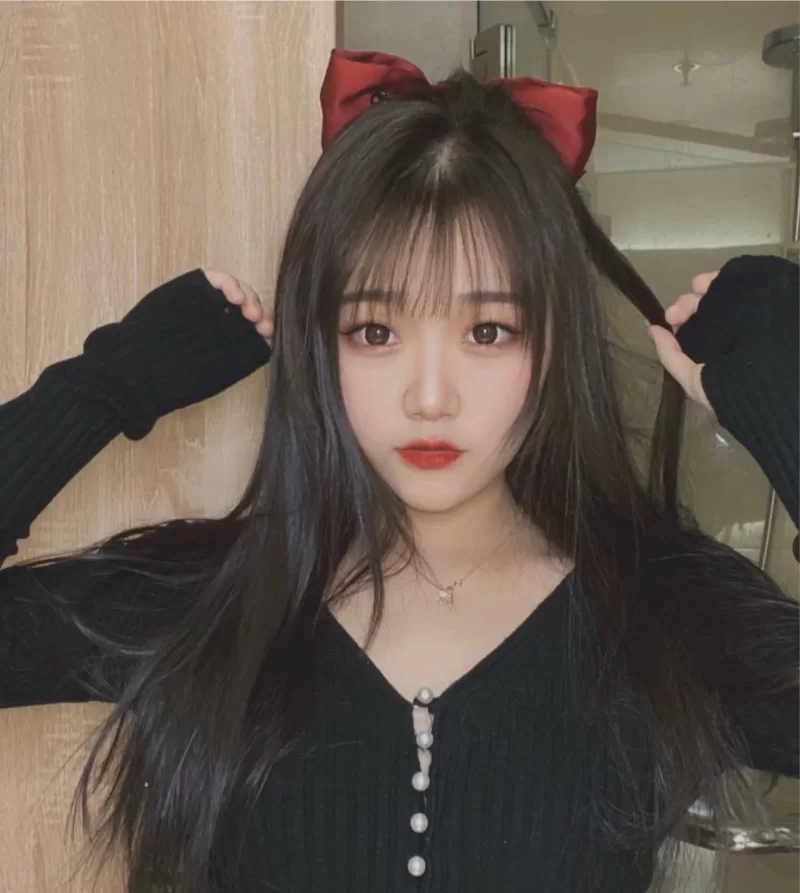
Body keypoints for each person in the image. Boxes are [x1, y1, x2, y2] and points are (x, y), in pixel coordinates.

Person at [0, 48, 797, 893]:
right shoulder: (213, 603)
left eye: (488, 332)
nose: (429, 397)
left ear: (555, 346)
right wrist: (106, 385)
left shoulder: (666, 615)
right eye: (375, 332)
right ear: (319, 345)